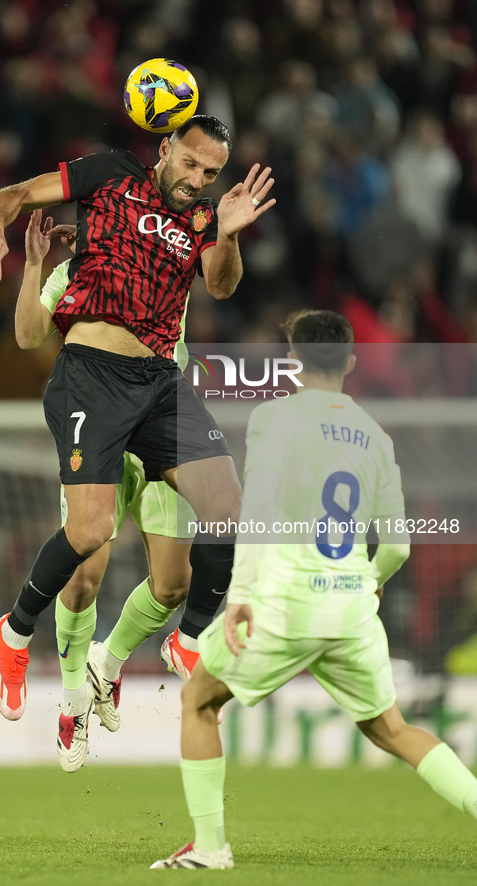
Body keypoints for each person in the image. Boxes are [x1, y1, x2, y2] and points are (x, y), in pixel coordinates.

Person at [0, 116, 275, 751]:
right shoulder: (110, 177)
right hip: (91, 378)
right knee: (90, 533)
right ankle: (16, 631)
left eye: (210, 174)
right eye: (190, 164)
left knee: (229, 514)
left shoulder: (200, 222)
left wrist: (229, 235)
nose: (197, 181)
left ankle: (187, 641)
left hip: (161, 383)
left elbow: (219, 284)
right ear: (166, 149)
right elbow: (19, 194)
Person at [152, 310, 477, 870]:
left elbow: (258, 507)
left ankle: (210, 848)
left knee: (198, 700)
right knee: (394, 729)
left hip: (286, 602)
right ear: (351, 363)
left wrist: (242, 593)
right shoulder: (375, 436)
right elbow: (397, 546)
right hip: (352, 606)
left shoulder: (275, 418)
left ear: (293, 362)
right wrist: (368, 582)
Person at [16, 209, 197, 771]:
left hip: (165, 424)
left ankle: (108, 662)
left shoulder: (170, 258)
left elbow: (217, 269)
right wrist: (32, 265)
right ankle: (73, 702)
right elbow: (27, 335)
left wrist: (229, 230)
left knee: (173, 586)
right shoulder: (70, 274)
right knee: (84, 579)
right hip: (99, 426)